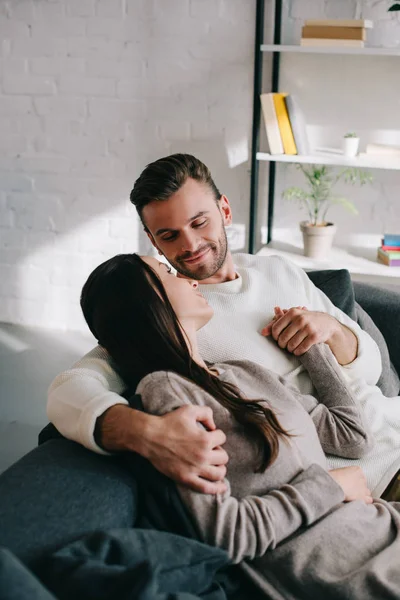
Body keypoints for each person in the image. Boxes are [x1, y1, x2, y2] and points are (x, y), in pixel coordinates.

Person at [47, 153, 400, 499]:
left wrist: (333, 331)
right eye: (169, 236)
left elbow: (371, 372)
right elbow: (70, 388)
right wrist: (148, 432)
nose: (190, 245)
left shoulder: (277, 269)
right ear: (153, 241)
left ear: (225, 211)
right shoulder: (168, 316)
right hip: (372, 475)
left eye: (199, 223)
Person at [78, 251, 400, 599]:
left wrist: (313, 348)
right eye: (168, 272)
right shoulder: (167, 393)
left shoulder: (243, 374)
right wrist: (330, 487)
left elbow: (351, 436)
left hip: (379, 526)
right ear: (146, 302)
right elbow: (228, 536)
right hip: (350, 567)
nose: (191, 279)